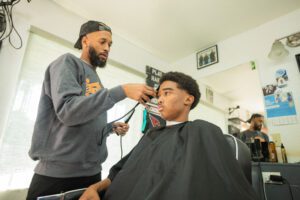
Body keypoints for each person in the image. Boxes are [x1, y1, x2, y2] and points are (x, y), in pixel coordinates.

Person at [26, 20, 156, 200]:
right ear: (85, 40)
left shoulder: (97, 81)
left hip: (92, 176)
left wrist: (110, 128)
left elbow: (85, 120)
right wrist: (123, 90)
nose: (107, 48)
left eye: (110, 44)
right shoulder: (67, 63)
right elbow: (69, 111)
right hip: (57, 177)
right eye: (102, 41)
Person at [79, 72, 258, 200]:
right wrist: (94, 188)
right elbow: (119, 172)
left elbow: (219, 185)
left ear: (188, 99)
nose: (160, 99)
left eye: (167, 92)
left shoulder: (202, 130)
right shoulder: (151, 135)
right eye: (158, 95)